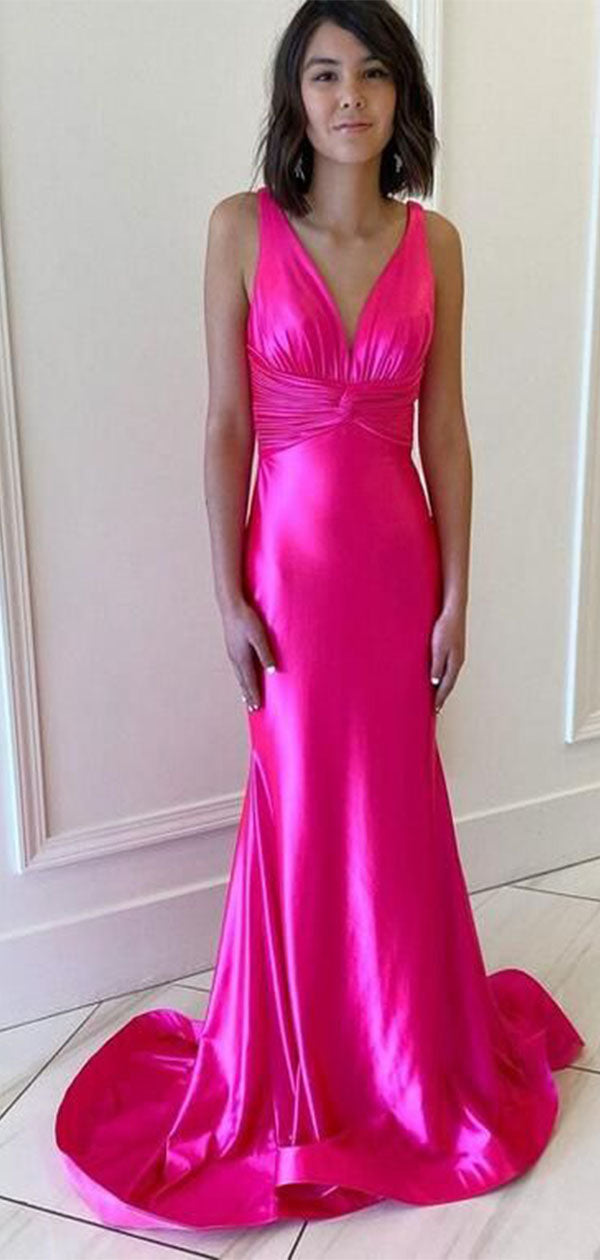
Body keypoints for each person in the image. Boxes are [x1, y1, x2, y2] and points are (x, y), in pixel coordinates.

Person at [54, 0, 585, 1233]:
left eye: (374, 74)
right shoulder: (239, 230)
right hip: (288, 583)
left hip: (397, 572)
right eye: (326, 74)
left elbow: (447, 432)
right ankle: (298, 1075)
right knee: (298, 816)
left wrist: (459, 591)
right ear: (295, 97)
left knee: (393, 812)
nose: (351, 97)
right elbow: (224, 427)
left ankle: (407, 1062)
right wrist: (226, 596)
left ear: (403, 97)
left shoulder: (436, 244)